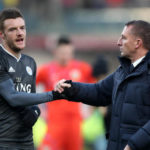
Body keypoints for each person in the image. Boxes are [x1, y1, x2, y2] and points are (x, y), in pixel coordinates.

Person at [54, 20, 150, 150]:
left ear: (138, 43)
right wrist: (71, 88)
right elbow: (99, 92)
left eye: (124, 38)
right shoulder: (122, 72)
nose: (118, 42)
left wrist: (133, 145)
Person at [0, 8, 64, 150]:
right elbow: (12, 97)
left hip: (26, 142)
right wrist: (52, 95)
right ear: (2, 35)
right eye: (12, 30)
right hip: (3, 142)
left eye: (22, 28)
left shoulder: (30, 62)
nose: (20, 33)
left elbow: (30, 98)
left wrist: (36, 110)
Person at [36, 36, 94, 150]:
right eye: (62, 52)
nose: (65, 56)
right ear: (55, 52)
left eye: (68, 52)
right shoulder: (46, 70)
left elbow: (96, 87)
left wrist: (90, 110)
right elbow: (31, 87)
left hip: (75, 124)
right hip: (54, 123)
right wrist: (40, 109)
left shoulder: (82, 68)